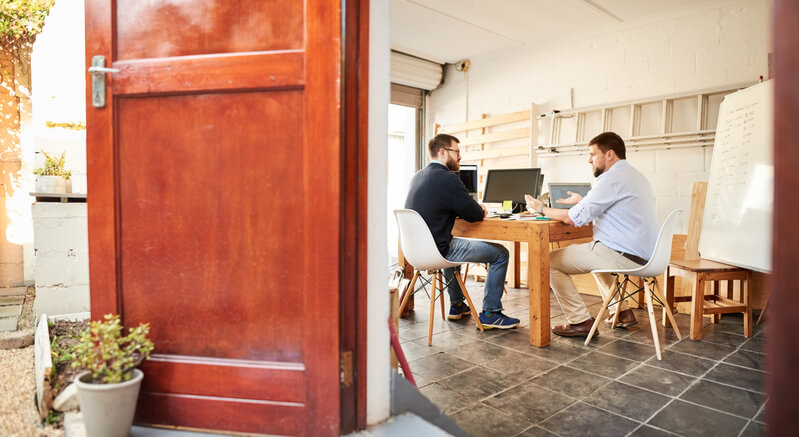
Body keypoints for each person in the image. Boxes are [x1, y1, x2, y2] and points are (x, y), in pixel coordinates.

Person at [525, 131, 658, 338]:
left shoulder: (611, 179)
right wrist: (584, 201)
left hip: (623, 255)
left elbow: (571, 219)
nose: (589, 160)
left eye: (592, 154)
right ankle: (622, 312)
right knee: (596, 255)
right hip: (645, 255)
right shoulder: (634, 176)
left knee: (548, 261)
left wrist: (540, 208)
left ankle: (579, 322)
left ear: (610, 155)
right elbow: (614, 206)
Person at [404, 133, 519, 329]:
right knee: (501, 253)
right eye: (457, 152)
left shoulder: (417, 176)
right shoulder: (448, 178)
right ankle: (491, 313)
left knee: (450, 243)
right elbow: (474, 214)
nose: (460, 157)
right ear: (443, 152)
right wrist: (479, 208)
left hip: (414, 253)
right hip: (439, 250)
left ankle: (457, 305)